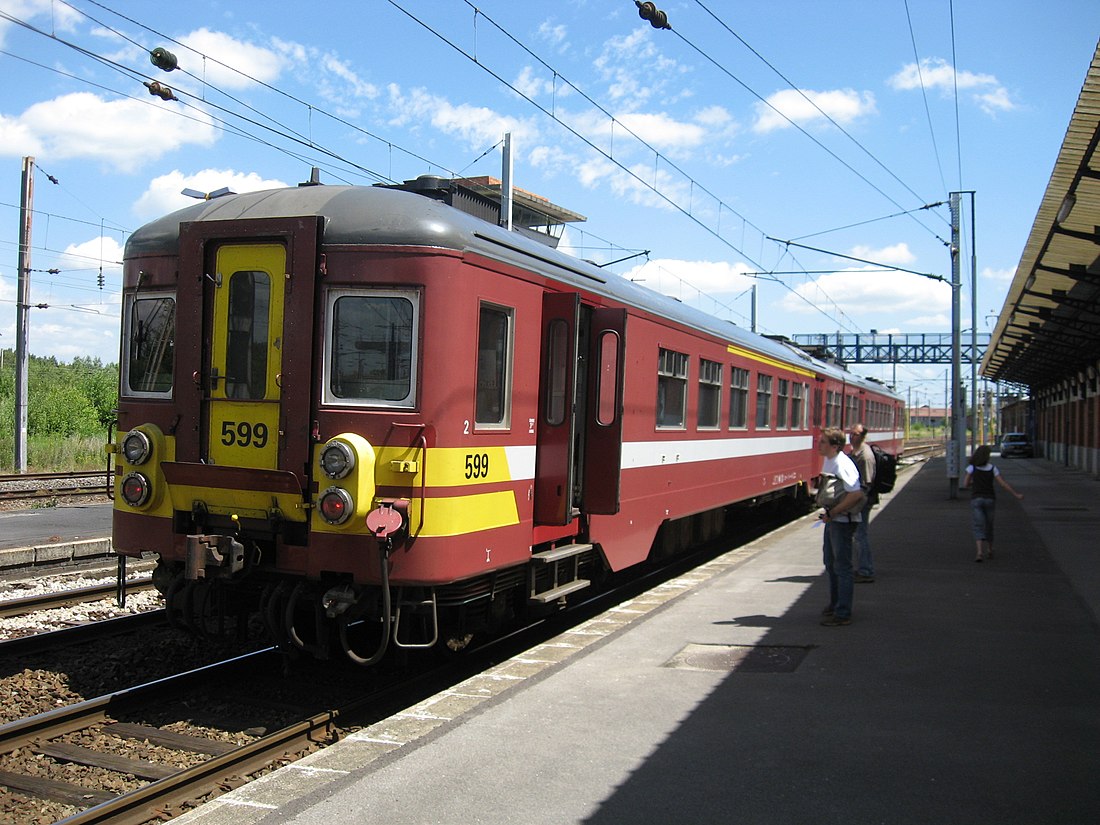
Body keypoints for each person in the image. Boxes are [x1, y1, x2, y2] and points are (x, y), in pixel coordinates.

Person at [817, 427, 866, 626]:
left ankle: (843, 613)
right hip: (832, 521)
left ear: (834, 446)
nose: (819, 444)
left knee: (842, 567)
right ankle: (836, 603)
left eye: (822, 442)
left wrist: (834, 512)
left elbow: (856, 494)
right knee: (830, 563)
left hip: (842, 522)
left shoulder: (843, 464)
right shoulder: (829, 460)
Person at [961, 444, 1023, 562]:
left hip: (976, 499)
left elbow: (965, 484)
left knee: (978, 526)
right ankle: (990, 549)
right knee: (989, 526)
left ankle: (979, 552)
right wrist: (1016, 494)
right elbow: (1003, 484)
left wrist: (974, 483)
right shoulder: (992, 468)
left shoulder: (972, 468)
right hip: (990, 499)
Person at [848, 424, 876, 583]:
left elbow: (866, 484)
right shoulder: (856, 452)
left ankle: (866, 570)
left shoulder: (865, 456)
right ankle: (862, 568)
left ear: (863, 436)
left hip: (862, 502)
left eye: (856, 434)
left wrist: (853, 504)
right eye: (851, 433)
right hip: (857, 500)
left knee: (860, 536)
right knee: (858, 536)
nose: (852, 436)